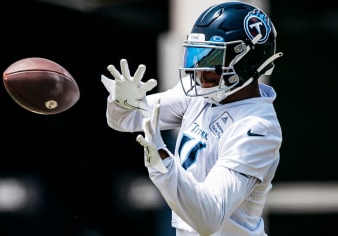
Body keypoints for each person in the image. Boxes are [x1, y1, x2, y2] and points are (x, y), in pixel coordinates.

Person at [101, 1, 283, 236]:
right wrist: (121, 102)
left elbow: (208, 219)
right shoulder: (201, 92)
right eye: (199, 54)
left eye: (213, 58)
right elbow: (125, 120)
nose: (200, 70)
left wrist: (163, 163)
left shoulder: (257, 128)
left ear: (247, 62)